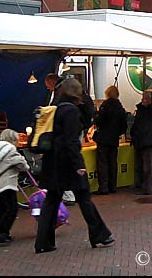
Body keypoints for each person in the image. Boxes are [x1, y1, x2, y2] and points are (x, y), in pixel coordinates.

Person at [34, 78, 114, 253]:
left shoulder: (54, 109)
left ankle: (43, 242)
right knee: (84, 198)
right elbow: (71, 141)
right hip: (68, 163)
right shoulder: (71, 111)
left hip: (51, 162)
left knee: (51, 201)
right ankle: (99, 234)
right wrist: (78, 164)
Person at [0, 129, 30, 244]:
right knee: (11, 209)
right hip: (8, 184)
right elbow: (22, 165)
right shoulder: (10, 151)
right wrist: (23, 162)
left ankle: (2, 232)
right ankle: (0, 232)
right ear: (12, 140)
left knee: (3, 208)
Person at [44, 73, 76, 207]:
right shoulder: (71, 108)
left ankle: (68, 195)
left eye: (48, 86)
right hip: (65, 140)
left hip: (61, 140)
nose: (48, 89)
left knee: (63, 167)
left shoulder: (63, 104)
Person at [92, 86, 128, 195]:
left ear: (107, 94)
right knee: (113, 162)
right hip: (114, 139)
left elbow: (99, 120)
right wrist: (117, 133)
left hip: (103, 138)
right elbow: (124, 126)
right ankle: (113, 186)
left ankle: (103, 187)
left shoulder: (105, 106)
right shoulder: (120, 108)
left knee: (102, 163)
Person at [130, 89, 152, 195]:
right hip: (141, 140)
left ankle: (147, 188)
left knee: (147, 167)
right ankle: (140, 185)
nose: (143, 100)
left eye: (145, 98)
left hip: (148, 141)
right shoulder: (141, 109)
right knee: (140, 165)